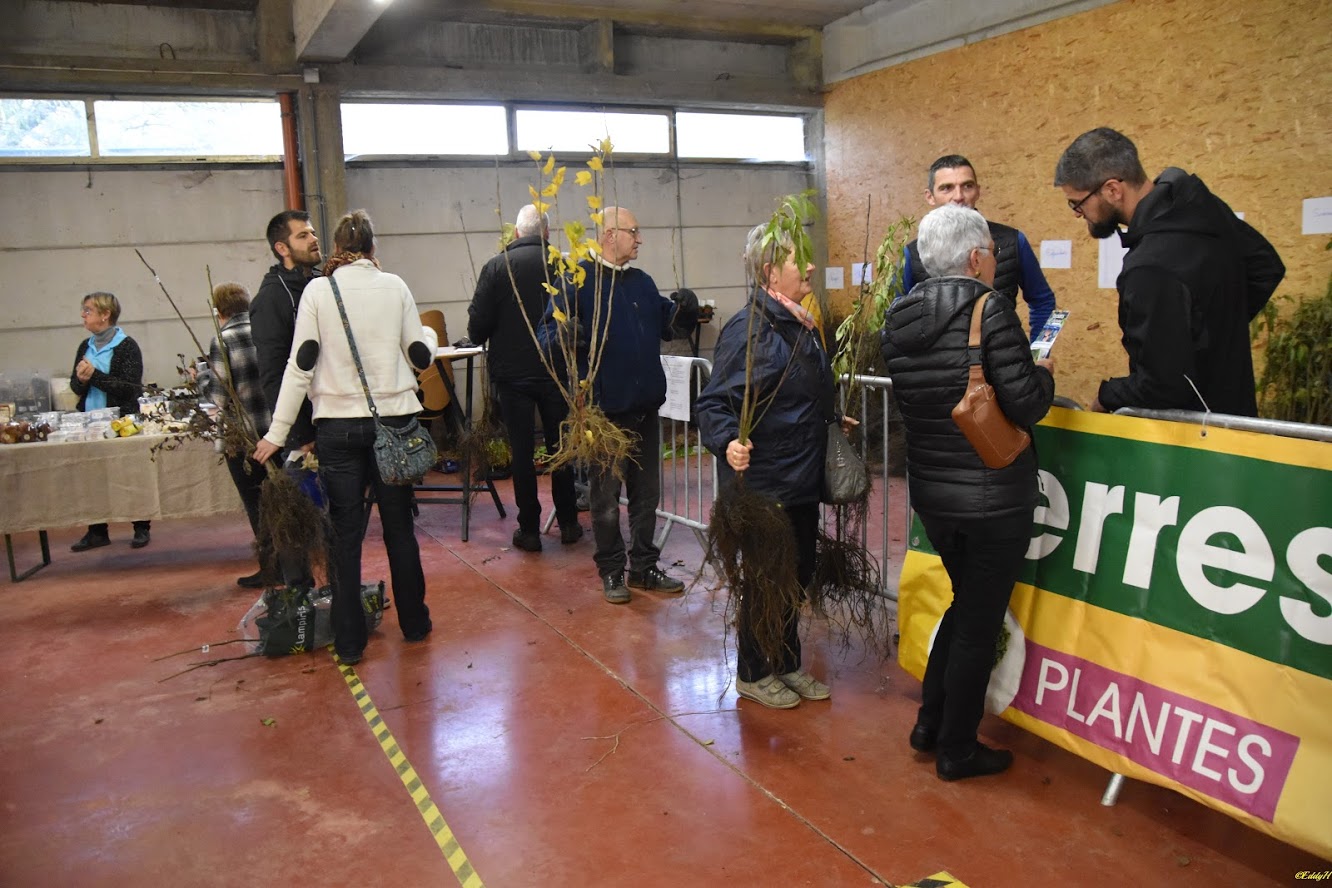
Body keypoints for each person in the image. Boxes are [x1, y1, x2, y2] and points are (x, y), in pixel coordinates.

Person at [882, 204, 1055, 781]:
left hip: (933, 493)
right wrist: (1044, 370)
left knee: (965, 608)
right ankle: (957, 749)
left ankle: (930, 722)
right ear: (977, 256)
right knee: (979, 626)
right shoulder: (991, 308)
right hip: (994, 496)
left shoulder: (899, 315)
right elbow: (1026, 403)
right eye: (993, 252)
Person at [254, 209, 436, 666]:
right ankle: (414, 623)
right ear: (373, 247)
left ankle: (349, 640)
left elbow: (300, 366)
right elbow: (419, 355)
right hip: (394, 424)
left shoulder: (318, 290)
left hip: (336, 428)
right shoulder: (395, 286)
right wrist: (430, 334)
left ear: (337, 249)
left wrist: (277, 434)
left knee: (345, 535)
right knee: (399, 529)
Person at [696, 224, 853, 709]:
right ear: (770, 271)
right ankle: (752, 671)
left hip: (799, 476)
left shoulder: (795, 322)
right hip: (765, 484)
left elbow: (791, 392)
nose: (809, 267)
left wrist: (827, 417)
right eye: (797, 259)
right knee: (767, 579)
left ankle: (785, 663)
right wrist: (728, 442)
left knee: (795, 574)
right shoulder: (749, 331)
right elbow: (714, 404)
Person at [1054, 127, 1285, 416]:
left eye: (1077, 203)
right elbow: (1266, 266)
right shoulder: (1200, 206)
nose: (1077, 213)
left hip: (1194, 439)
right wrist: (1213, 331)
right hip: (1236, 414)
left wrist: (1106, 398)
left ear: (1113, 190)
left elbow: (1161, 385)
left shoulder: (1148, 268)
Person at [539, 207, 698, 604]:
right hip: (605, 414)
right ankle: (611, 571)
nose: (639, 239)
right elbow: (544, 335)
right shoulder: (578, 280)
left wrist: (686, 310)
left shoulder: (642, 283)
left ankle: (643, 566)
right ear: (610, 235)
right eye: (634, 231)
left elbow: (669, 323)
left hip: (645, 410)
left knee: (647, 497)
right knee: (605, 499)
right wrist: (563, 333)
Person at [468, 205, 581, 553]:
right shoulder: (565, 267)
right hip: (555, 370)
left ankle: (529, 529)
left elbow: (476, 329)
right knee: (560, 448)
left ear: (516, 233)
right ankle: (569, 523)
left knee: (521, 450)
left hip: (512, 374)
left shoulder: (496, 267)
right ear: (547, 234)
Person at [902, 155, 1057, 340]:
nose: (958, 196)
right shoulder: (912, 252)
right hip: (940, 366)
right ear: (930, 196)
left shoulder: (1013, 240)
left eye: (967, 186)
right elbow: (897, 312)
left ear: (978, 191)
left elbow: (1043, 301)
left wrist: (1037, 354)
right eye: (947, 188)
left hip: (1004, 361)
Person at [193, 282, 274, 588]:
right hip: (273, 433)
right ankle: (289, 563)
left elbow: (217, 398)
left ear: (220, 311)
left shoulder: (222, 340)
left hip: (243, 438)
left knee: (256, 505)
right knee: (276, 501)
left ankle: (270, 567)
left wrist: (200, 375)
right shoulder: (265, 332)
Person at [68, 291, 151, 551]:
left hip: (121, 423)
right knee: (92, 477)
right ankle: (96, 531)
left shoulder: (127, 346)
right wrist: (81, 380)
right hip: (90, 422)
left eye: (88, 310)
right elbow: (75, 386)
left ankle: (140, 527)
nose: (83, 314)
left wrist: (93, 376)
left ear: (105, 315)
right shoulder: (85, 346)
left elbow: (129, 388)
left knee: (130, 474)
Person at [251, 210, 322, 453]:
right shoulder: (271, 298)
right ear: (282, 248)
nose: (313, 239)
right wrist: (300, 435)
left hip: (338, 416)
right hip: (307, 428)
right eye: (303, 236)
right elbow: (273, 372)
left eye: (312, 233)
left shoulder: (323, 283)